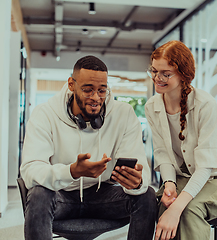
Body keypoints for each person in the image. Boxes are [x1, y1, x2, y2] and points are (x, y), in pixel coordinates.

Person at [20, 55, 157, 240]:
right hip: (62, 195)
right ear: (71, 84)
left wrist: (137, 182)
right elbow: (30, 170)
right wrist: (72, 172)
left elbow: (142, 169)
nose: (96, 98)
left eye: (102, 90)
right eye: (87, 90)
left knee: (147, 194)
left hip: (104, 198)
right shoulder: (45, 114)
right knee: (38, 194)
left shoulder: (123, 114)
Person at [145, 40, 217, 240]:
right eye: (153, 71)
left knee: (188, 210)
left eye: (165, 73)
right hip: (185, 174)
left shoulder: (205, 104)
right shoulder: (152, 106)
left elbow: (206, 167)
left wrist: (177, 208)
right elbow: (163, 154)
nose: (157, 78)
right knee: (162, 205)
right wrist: (169, 184)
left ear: (183, 75)